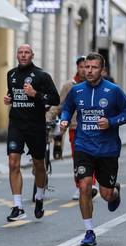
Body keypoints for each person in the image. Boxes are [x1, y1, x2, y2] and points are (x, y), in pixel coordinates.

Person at [60, 52, 126, 246]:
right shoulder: (76, 90)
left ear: (102, 70)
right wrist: (65, 119)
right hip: (83, 146)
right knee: (84, 186)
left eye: (94, 67)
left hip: (107, 149)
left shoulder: (114, 91)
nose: (89, 70)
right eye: (87, 67)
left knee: (106, 194)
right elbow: (67, 108)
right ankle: (89, 231)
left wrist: (110, 122)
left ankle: (115, 191)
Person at [4, 44, 60, 221]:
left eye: (26, 52)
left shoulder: (42, 76)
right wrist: (8, 98)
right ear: (16, 55)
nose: (23, 55)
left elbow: (55, 99)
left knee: (39, 165)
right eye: (20, 52)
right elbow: (12, 94)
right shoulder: (11, 74)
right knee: (13, 163)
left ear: (32, 55)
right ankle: (18, 206)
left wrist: (35, 93)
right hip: (16, 124)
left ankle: (40, 197)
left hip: (35, 125)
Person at [52, 56, 98, 200]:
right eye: (82, 67)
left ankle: (91, 185)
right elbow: (60, 105)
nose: (85, 70)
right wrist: (50, 117)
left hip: (92, 127)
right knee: (78, 159)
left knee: (93, 156)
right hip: (75, 128)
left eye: (87, 67)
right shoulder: (69, 86)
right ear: (77, 68)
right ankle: (80, 186)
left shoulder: (96, 85)